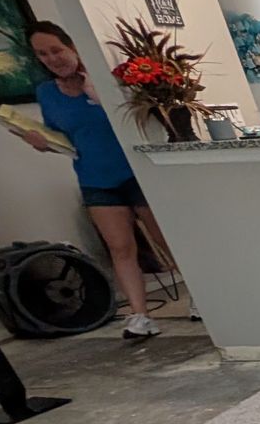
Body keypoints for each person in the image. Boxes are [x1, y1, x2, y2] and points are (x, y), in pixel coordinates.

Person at [10, 20, 178, 340]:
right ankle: (140, 316)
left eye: (57, 50)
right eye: (43, 54)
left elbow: (141, 118)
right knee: (120, 247)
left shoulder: (107, 80)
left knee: (167, 240)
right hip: (95, 177)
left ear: (72, 46)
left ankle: (202, 299)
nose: (52, 59)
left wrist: (97, 94)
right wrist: (43, 143)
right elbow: (64, 137)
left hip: (135, 171)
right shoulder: (46, 93)